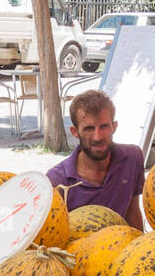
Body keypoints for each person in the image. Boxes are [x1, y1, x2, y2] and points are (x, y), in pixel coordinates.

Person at [45, 89, 145, 229]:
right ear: (75, 132)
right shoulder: (57, 181)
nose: (98, 137)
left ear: (114, 127)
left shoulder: (133, 158)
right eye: (89, 129)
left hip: (122, 247)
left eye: (104, 127)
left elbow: (132, 211)